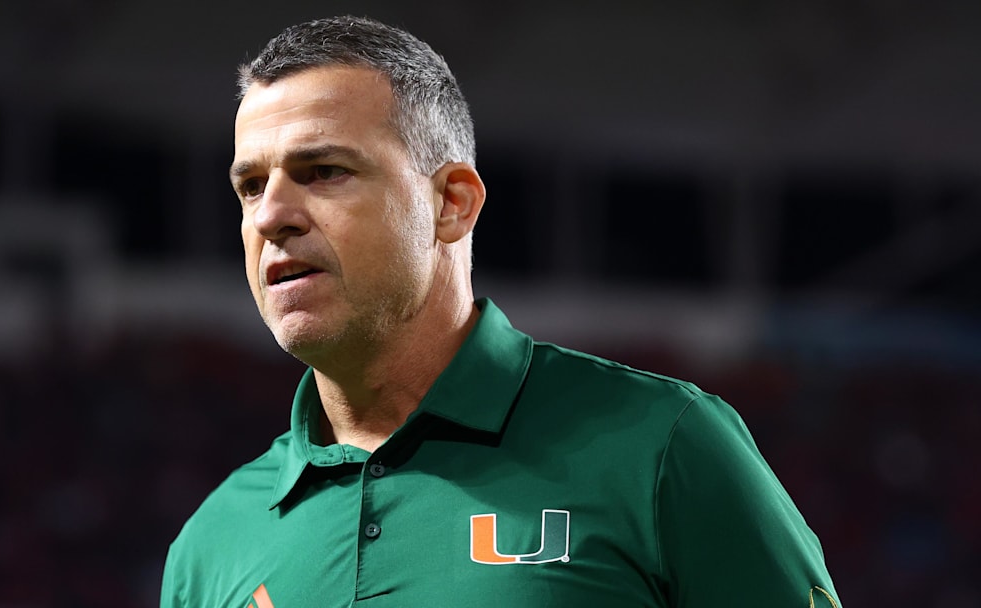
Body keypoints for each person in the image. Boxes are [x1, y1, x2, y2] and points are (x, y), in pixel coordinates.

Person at [160, 15, 842, 608]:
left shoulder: (663, 448)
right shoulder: (212, 543)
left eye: (324, 171)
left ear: (452, 202)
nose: (272, 216)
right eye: (250, 186)